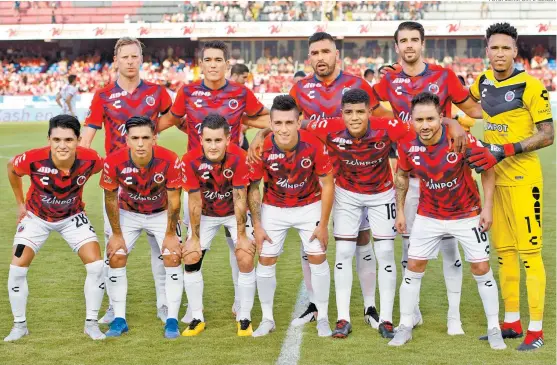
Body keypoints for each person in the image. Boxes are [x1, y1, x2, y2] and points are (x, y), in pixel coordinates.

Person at [250, 31, 395, 332]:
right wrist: (263, 132)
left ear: (336, 55)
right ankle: (316, 305)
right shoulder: (299, 89)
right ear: (309, 57)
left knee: (362, 240)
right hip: (313, 179)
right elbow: (284, 120)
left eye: (325, 52)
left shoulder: (358, 85)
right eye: (314, 53)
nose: (320, 58)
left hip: (356, 176)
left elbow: (381, 119)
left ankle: (370, 304)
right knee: (313, 245)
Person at [372, 21, 482, 335]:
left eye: (414, 40)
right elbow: (364, 106)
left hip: (447, 175)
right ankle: (413, 313)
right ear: (396, 47)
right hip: (409, 175)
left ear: (423, 44)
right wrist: (397, 125)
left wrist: (452, 120)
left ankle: (454, 317)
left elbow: (472, 110)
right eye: (403, 40)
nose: (409, 45)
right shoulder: (389, 80)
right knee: (410, 249)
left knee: (450, 249)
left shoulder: (443, 76)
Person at [158, 40, 270, 323]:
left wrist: (261, 133)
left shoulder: (240, 92)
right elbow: (172, 118)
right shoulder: (188, 91)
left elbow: (270, 118)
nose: (212, 64)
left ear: (226, 65)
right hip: (197, 182)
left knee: (240, 247)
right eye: (207, 59)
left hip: (233, 178)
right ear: (202, 64)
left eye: (218, 59)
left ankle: (239, 302)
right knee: (194, 247)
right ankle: (192, 307)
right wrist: (139, 132)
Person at [389, 92, 505, 350]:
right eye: (419, 120)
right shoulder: (408, 146)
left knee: (481, 269)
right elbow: (402, 177)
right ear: (412, 120)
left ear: (440, 117)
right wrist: (399, 212)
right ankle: (405, 325)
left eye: (431, 118)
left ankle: (494, 327)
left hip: (467, 215)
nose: (425, 125)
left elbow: (487, 167)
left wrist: (487, 207)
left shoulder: (460, 139)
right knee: (414, 266)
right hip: (428, 215)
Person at [466, 22, 554, 351]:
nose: (500, 53)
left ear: (515, 52)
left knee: (530, 254)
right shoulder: (482, 82)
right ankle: (512, 322)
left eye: (506, 48)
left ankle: (535, 329)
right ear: (486, 51)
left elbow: (548, 134)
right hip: (492, 181)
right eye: (494, 48)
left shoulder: (531, 86)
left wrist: (505, 150)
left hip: (523, 180)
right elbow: (465, 106)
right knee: (503, 254)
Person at [80, 36, 174, 325]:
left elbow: (175, 119)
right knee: (116, 249)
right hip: (118, 184)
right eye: (125, 57)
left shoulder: (158, 93)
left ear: (141, 60)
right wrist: (77, 177)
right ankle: (113, 307)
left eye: (135, 56)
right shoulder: (103, 96)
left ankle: (164, 305)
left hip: (155, 179)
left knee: (163, 251)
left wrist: (148, 132)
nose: (131, 62)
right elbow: (88, 137)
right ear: (116, 61)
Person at [311, 89, 410, 338]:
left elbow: (422, 126)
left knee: (386, 252)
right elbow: (292, 124)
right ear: (341, 114)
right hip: (347, 194)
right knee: (343, 251)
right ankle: (343, 318)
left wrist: (454, 125)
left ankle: (386, 319)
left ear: (369, 112)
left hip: (382, 193)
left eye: (360, 112)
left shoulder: (387, 126)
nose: (354, 118)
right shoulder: (328, 128)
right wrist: (262, 135)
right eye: (348, 112)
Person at [5, 115, 105, 342]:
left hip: (73, 217)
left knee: (97, 266)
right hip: (36, 217)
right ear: (48, 139)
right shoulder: (32, 159)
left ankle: (91, 324)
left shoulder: (91, 160)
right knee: (17, 269)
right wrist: (20, 203)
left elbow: (102, 171)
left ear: (78, 140)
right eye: (57, 139)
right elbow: (12, 166)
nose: (62, 145)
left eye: (69, 140)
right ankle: (19, 326)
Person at [248, 95, 334, 338]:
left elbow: (328, 184)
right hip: (274, 209)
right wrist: (257, 224)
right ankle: (267, 319)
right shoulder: (261, 147)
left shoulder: (313, 144)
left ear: (299, 122)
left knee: (317, 258)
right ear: (271, 124)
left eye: (289, 123)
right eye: (278, 123)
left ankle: (323, 317)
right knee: (265, 262)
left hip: (309, 206)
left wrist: (324, 224)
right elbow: (253, 188)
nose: (283, 129)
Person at [99, 116, 183, 339]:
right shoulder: (113, 161)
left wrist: (170, 234)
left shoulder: (170, 159)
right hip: (129, 213)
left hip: (161, 213)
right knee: (116, 256)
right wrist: (116, 234)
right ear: (126, 139)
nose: (140, 143)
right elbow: (110, 199)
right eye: (135, 138)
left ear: (154, 138)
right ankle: (119, 319)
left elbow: (175, 200)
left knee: (172, 256)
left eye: (146, 137)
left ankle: (171, 319)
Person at [180, 114, 254, 337]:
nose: (213, 146)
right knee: (192, 256)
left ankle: (244, 316)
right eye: (208, 140)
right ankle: (196, 317)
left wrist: (241, 235)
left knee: (245, 255)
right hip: (205, 214)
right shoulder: (189, 160)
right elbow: (194, 200)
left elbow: (240, 197)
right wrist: (193, 236)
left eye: (218, 140)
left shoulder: (240, 158)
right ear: (200, 139)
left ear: (228, 139)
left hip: (233, 211)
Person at [229, 63, 252, 151]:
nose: (246, 80)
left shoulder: (243, 91)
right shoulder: (225, 91)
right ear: (235, 75)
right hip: (229, 136)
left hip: (239, 135)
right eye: (244, 77)